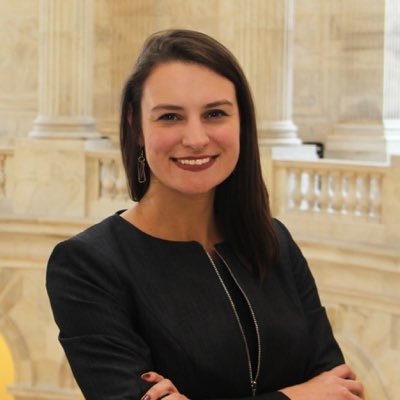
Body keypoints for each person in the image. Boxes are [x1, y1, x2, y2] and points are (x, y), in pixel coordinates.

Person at [46, 29, 364, 400]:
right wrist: (300, 395)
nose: (196, 138)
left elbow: (343, 391)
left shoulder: (274, 241)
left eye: (215, 113)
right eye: (169, 117)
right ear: (136, 126)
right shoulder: (87, 265)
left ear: (241, 121)